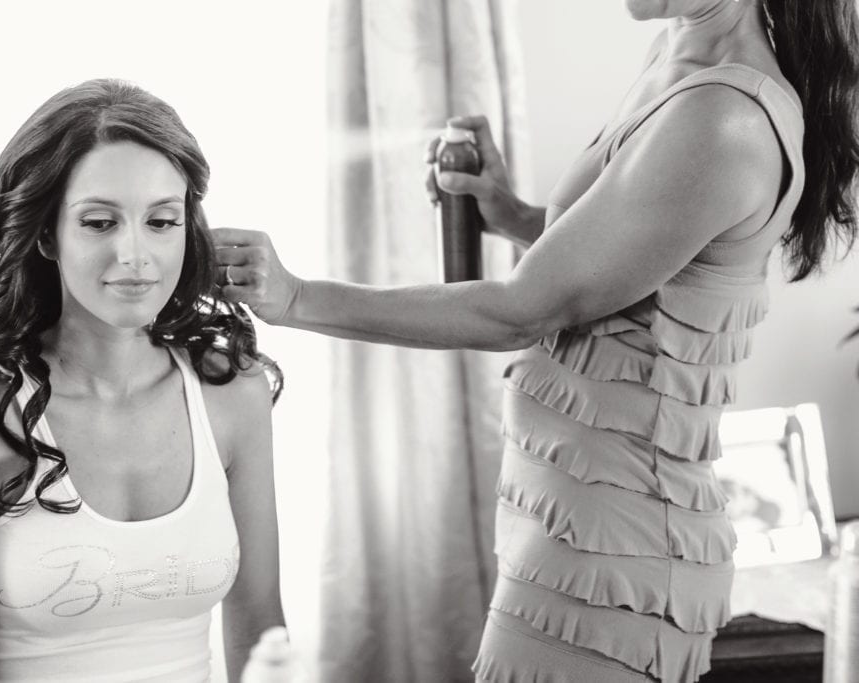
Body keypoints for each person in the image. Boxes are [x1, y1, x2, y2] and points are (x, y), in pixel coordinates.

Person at [213, 1, 859, 681]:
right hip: (572, 524)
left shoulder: (724, 116)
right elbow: (630, 267)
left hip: (616, 554)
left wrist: (295, 297)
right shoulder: (681, 55)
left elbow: (520, 312)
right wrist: (509, 210)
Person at [0, 79, 285, 683]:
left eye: (161, 221)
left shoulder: (233, 395)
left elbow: (262, 634)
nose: (136, 254)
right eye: (101, 222)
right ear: (47, 233)